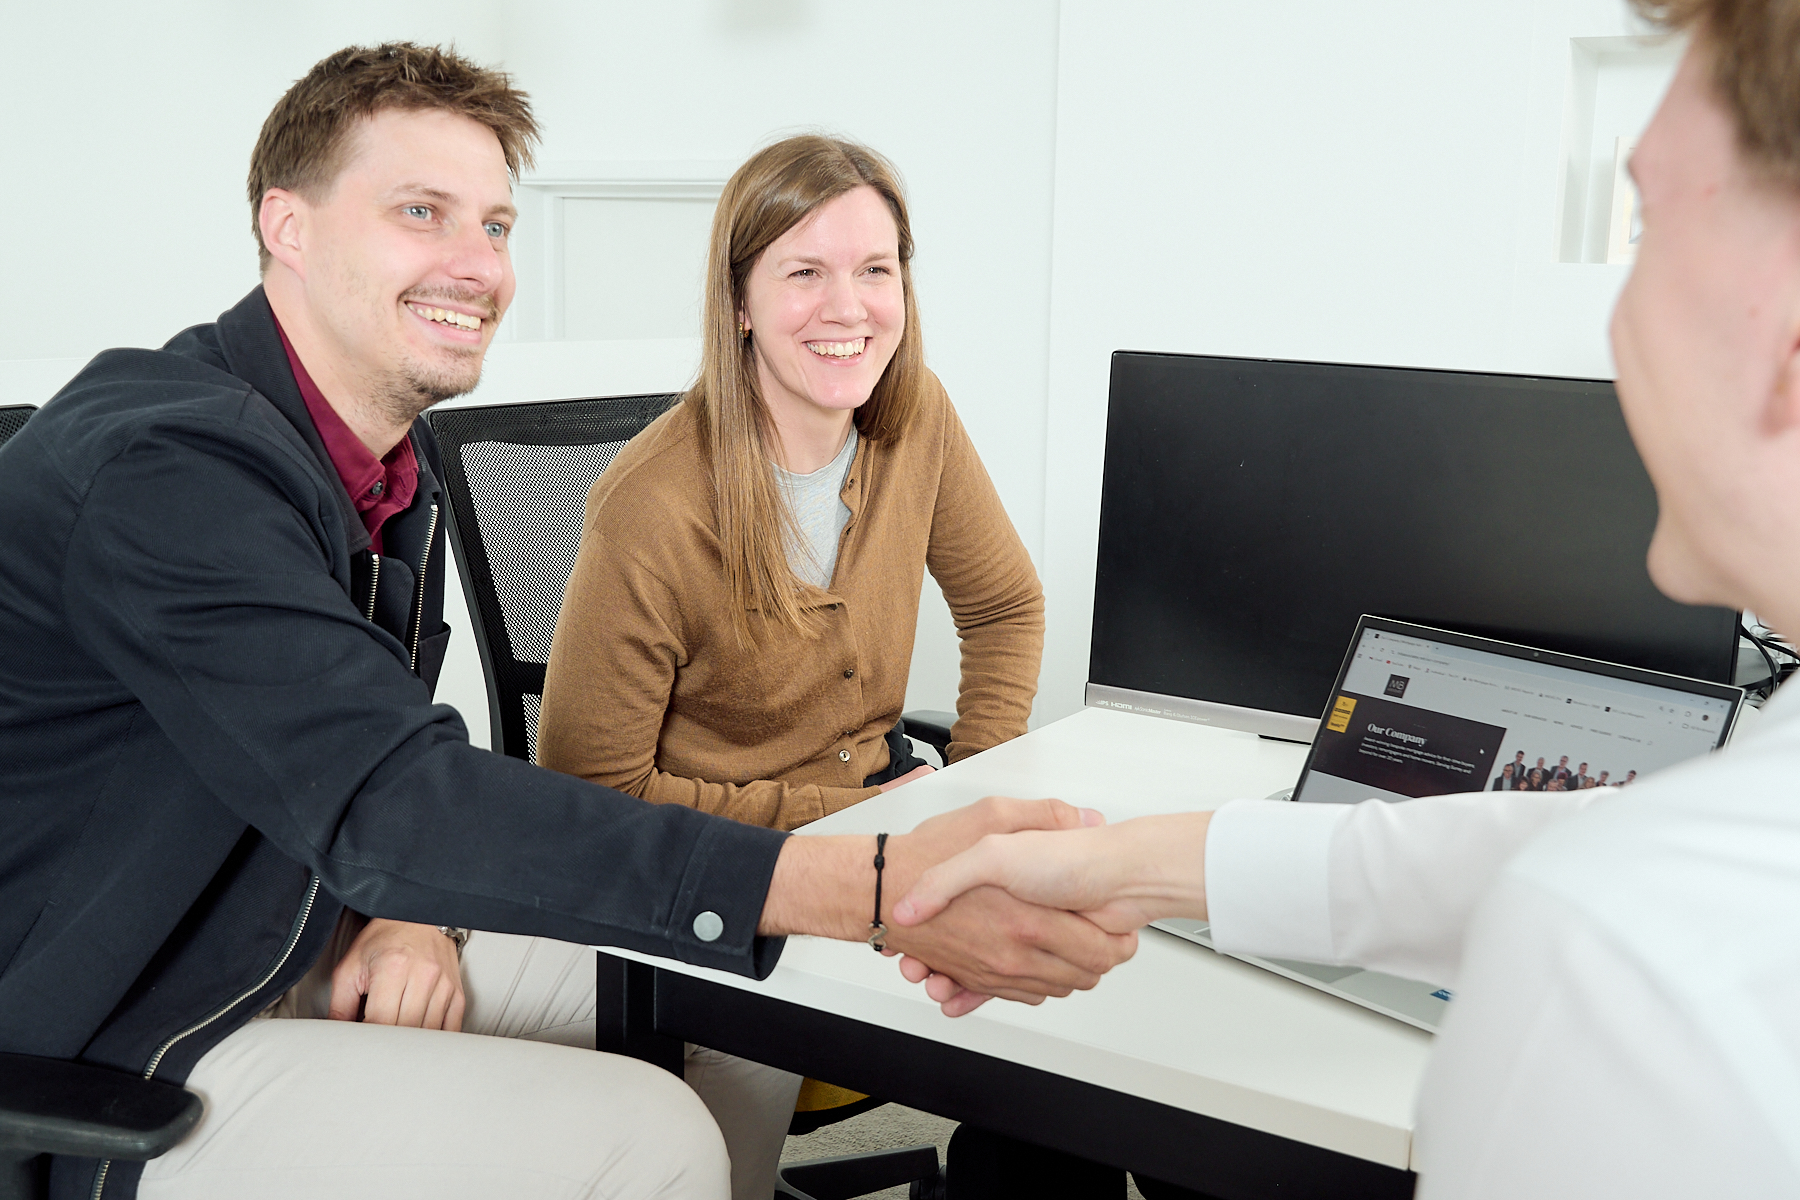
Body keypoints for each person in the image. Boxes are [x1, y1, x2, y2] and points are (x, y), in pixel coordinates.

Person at [0, 45, 1136, 1200]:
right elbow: (397, 794)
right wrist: (871, 879)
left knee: (742, 987)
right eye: (420, 211)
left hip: (283, 926)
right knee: (649, 1137)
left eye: (494, 225)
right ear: (286, 225)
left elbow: (334, 758)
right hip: (111, 1028)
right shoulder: (169, 468)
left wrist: (399, 914)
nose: (474, 262)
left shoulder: (381, 471)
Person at [892, 1, 1800, 1194]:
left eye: (1646, 232)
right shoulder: (1699, 848)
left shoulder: (1618, 951)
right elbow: (1555, 840)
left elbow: (1596, 877)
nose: (1617, 321)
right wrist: (1132, 864)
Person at [530, 133, 1046, 1197]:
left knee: (1070, 981)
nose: (848, 306)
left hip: (889, 825)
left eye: (875, 268)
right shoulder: (653, 506)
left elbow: (1004, 606)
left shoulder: (917, 420)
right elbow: (591, 794)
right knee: (715, 1166)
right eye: (803, 272)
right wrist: (848, 827)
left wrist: (970, 788)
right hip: (715, 877)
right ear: (741, 304)